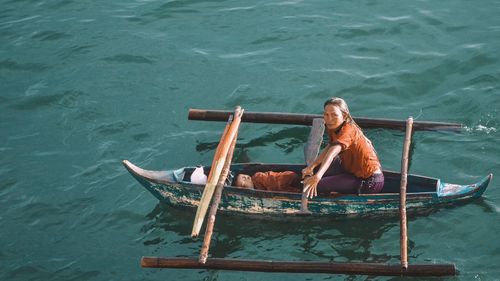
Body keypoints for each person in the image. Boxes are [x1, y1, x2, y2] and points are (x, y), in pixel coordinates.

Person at [302, 97, 384, 198]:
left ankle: (332, 194)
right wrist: (312, 166)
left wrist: (318, 176)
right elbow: (329, 147)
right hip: (350, 170)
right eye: (326, 115)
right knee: (316, 169)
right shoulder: (334, 127)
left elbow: (332, 154)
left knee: (317, 184)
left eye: (334, 115)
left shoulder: (348, 130)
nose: (329, 119)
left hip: (369, 181)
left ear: (344, 115)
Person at [234, 171, 302, 193]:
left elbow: (263, 190)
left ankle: (299, 192)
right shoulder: (256, 182)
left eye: (243, 186)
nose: (244, 189)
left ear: (248, 178)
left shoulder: (257, 177)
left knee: (281, 188)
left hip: (285, 179)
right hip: (288, 176)